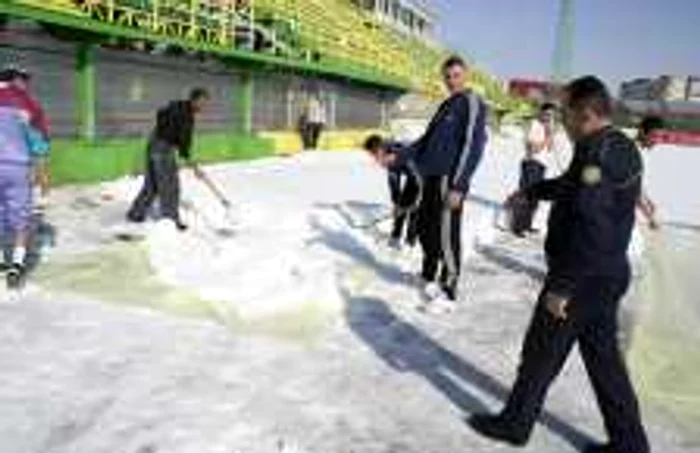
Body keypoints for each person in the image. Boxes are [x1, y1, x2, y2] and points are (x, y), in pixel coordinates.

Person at [468, 76, 650, 453]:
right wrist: (531, 191)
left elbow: (591, 228)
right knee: (606, 364)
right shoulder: (617, 146)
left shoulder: (595, 154)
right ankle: (630, 444)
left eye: (566, 111)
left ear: (584, 113)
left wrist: (562, 287)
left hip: (581, 278)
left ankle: (515, 425)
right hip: (608, 275)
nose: (561, 119)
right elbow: (571, 186)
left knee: (539, 353)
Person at [380, 55, 487, 312]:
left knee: (447, 235)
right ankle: (428, 275)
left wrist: (459, 185)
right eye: (448, 76)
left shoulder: (471, 103)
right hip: (429, 178)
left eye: (456, 75)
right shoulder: (446, 105)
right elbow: (425, 142)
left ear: (466, 74)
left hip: (449, 181)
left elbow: (473, 146)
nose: (452, 81)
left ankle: (449, 289)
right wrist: (399, 156)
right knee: (427, 230)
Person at [127, 88, 210, 230]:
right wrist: (191, 162)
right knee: (170, 186)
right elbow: (183, 140)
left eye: (206, 102)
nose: (204, 106)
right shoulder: (186, 115)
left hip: (154, 144)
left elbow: (162, 118)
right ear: (194, 100)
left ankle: (136, 213)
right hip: (164, 149)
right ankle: (171, 220)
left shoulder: (176, 106)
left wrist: (187, 157)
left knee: (152, 184)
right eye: (202, 102)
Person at [0, 66, 51, 288]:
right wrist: (42, 171)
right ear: (16, 80)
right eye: (24, 79)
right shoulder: (29, 105)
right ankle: (17, 264)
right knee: (20, 217)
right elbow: (38, 142)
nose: (26, 84)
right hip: (18, 168)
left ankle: (2, 261)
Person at [363, 134, 421, 249]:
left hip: (424, 174)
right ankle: (395, 236)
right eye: (372, 155)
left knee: (414, 209)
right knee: (402, 203)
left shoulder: (399, 152)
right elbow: (393, 180)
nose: (374, 158)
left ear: (380, 149)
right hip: (412, 176)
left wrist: (419, 198)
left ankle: (411, 240)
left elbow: (418, 175)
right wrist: (396, 202)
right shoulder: (387, 155)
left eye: (374, 154)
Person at [511, 102, 557, 236]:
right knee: (527, 195)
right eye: (547, 114)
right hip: (532, 163)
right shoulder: (534, 125)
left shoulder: (548, 128)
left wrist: (550, 135)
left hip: (542, 165)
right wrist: (546, 137)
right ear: (541, 113)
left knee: (536, 197)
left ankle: (527, 224)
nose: (549, 117)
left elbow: (550, 149)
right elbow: (532, 149)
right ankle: (518, 226)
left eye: (552, 115)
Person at [635, 115, 663, 229]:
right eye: (654, 136)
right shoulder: (634, 153)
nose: (657, 141)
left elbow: (638, 185)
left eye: (660, 137)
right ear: (642, 132)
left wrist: (647, 199)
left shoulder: (642, 152)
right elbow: (634, 190)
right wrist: (650, 217)